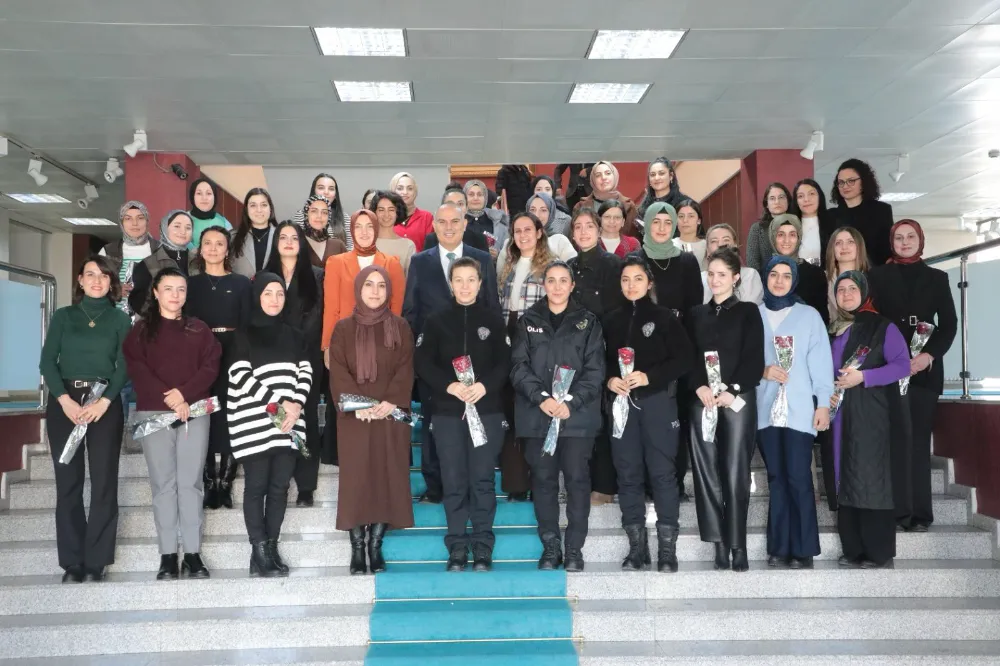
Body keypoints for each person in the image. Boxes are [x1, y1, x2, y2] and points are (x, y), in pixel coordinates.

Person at [123, 268, 221, 580]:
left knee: (190, 484)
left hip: (193, 413)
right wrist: (173, 400)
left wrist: (184, 396)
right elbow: (137, 369)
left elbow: (211, 367)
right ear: (155, 292)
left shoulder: (199, 329)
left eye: (181, 289)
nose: (175, 295)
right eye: (168, 288)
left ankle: (192, 554)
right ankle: (167, 555)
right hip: (154, 415)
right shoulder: (140, 330)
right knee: (163, 485)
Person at [414, 257, 510, 572]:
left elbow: (505, 363)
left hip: (487, 411)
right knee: (454, 480)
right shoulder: (436, 321)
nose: (465, 286)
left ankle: (482, 546)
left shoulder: (494, 320)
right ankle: (456, 546)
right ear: (451, 284)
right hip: (447, 413)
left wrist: (484, 386)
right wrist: (449, 386)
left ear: (480, 284)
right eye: (459, 280)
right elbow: (423, 362)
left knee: (482, 480)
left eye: (471, 280)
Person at [39, 255, 131, 583]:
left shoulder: (120, 319)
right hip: (65, 405)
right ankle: (72, 562)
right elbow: (47, 362)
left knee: (104, 482)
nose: (96, 281)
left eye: (103, 276)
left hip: (104, 404)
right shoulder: (63, 316)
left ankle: (96, 561)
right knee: (68, 483)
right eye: (90, 274)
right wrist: (63, 400)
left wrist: (105, 401)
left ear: (111, 283)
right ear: (80, 280)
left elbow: (125, 365)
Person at [510, 261, 605, 571]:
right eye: (551, 280)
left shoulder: (588, 322)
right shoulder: (528, 321)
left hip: (576, 419)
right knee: (543, 482)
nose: (557, 286)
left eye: (564, 280)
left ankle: (574, 549)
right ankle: (550, 547)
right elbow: (518, 367)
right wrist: (541, 398)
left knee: (577, 481)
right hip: (538, 417)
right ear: (544, 285)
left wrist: (571, 402)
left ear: (572, 285)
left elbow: (595, 370)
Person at [604, 257, 693, 573]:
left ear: (649, 282)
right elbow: (601, 361)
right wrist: (609, 381)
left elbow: (684, 359)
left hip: (657, 403)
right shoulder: (610, 320)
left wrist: (649, 377)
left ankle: (667, 551)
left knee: (662, 474)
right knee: (628, 474)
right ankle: (636, 549)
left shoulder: (664, 317)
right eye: (626, 279)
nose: (631, 285)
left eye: (638, 279)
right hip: (622, 406)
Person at [405, 203, 498, 503]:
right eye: (442, 222)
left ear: (464, 224)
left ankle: (472, 487)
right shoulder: (420, 262)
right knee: (434, 428)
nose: (448, 227)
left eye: (454, 221)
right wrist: (420, 361)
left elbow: (492, 308)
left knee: (474, 431)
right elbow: (411, 312)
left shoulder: (482, 259)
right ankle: (436, 488)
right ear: (434, 226)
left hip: (478, 367)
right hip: (436, 367)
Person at [869, 220, 957, 531]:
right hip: (889, 370)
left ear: (920, 240)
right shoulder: (876, 276)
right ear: (891, 241)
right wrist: (889, 359)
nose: (904, 242)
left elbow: (949, 325)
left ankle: (920, 515)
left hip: (924, 372)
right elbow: (872, 322)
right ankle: (897, 513)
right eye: (898, 237)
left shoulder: (937, 278)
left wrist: (928, 356)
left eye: (910, 237)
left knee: (918, 445)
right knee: (893, 443)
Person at [329, 266, 415, 574]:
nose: (375, 291)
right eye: (369, 285)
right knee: (357, 480)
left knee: (386, 476)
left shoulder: (400, 326)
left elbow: (406, 367)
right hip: (355, 417)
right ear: (358, 289)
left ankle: (375, 546)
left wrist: (391, 401)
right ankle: (357, 548)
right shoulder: (343, 328)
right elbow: (338, 370)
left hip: (389, 413)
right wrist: (357, 405)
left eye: (381, 285)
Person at [227, 273, 313, 577]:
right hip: (255, 422)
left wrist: (296, 404)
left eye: (279, 293)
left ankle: (270, 549)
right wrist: (278, 404)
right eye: (267, 293)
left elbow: (306, 372)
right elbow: (240, 376)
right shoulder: (243, 334)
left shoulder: (295, 335)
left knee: (280, 487)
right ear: (257, 297)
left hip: (289, 421)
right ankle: (259, 550)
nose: (274, 299)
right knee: (256, 486)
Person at [825, 271, 911, 568]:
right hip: (840, 415)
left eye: (852, 288)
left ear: (864, 292)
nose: (846, 294)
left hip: (871, 414)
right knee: (844, 476)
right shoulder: (832, 330)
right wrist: (827, 392)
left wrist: (864, 377)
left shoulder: (882, 327)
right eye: (841, 289)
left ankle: (877, 552)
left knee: (871, 480)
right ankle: (853, 549)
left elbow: (902, 365)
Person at [687, 248, 765, 572]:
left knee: (735, 473)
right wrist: (699, 386)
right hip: (702, 400)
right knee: (707, 474)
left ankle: (737, 545)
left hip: (736, 400)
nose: (715, 280)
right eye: (711, 274)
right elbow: (688, 358)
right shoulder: (696, 314)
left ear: (735, 277)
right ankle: (718, 543)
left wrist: (732, 390)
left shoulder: (748, 312)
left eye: (722, 274)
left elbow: (754, 358)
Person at [756, 257, 833, 569]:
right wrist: (763, 371)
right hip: (765, 411)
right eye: (773, 274)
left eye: (786, 275)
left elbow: (821, 363)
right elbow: (743, 359)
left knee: (799, 476)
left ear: (794, 280)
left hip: (800, 409)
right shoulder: (754, 315)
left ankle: (803, 549)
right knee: (776, 478)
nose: (779, 281)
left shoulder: (809, 316)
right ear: (765, 278)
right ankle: (779, 547)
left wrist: (823, 403)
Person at [496, 212, 576, 502]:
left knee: (538, 409)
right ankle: (517, 483)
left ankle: (542, 482)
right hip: (508, 338)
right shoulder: (508, 262)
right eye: (517, 231)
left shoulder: (551, 264)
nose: (522, 235)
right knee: (512, 413)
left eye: (528, 229)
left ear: (540, 232)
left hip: (538, 340)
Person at [632, 201, 703, 501]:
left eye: (667, 222)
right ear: (647, 224)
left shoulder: (687, 261)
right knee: (646, 418)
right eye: (655, 222)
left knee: (678, 419)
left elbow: (695, 309)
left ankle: (674, 482)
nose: (661, 228)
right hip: (643, 348)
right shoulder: (636, 259)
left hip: (678, 348)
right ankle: (647, 483)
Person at [186, 227, 253, 510]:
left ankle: (226, 481)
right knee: (203, 414)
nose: (213, 248)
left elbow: (248, 323)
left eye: (219, 244)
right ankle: (208, 479)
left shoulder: (241, 283)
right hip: (199, 354)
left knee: (230, 414)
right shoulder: (189, 284)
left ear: (227, 250)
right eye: (208, 243)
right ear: (200, 249)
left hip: (233, 352)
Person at [265, 222, 326, 507]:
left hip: (306, 358)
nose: (289, 242)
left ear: (302, 243)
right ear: (276, 243)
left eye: (294, 238)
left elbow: (317, 318)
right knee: (275, 416)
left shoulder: (317, 276)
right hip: (271, 359)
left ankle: (305, 485)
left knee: (306, 419)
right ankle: (277, 479)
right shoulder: (264, 276)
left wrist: (295, 346)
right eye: (283, 237)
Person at [566, 208, 624, 505]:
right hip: (571, 356)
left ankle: (604, 486)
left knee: (602, 419)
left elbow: (617, 314)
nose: (584, 232)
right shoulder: (567, 267)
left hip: (603, 352)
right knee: (576, 419)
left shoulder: (613, 264)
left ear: (599, 230)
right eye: (578, 227)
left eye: (589, 226)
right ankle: (579, 483)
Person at [321, 210, 405, 355]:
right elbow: (331, 309)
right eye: (358, 227)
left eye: (369, 226)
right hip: (346, 340)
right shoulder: (336, 263)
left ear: (376, 229)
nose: (364, 232)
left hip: (382, 341)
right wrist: (328, 345)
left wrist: (394, 341)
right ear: (352, 230)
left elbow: (396, 308)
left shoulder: (392, 263)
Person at [820, 159, 895, 267]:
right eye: (841, 182)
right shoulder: (830, 216)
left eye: (851, 181)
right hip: (841, 273)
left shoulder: (881, 210)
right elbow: (827, 253)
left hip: (875, 273)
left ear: (863, 181)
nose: (845, 186)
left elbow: (887, 250)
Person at [129, 211, 195, 314]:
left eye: (188, 228)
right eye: (177, 226)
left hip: (196, 322)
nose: (183, 232)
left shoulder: (199, 260)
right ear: (164, 228)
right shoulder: (148, 264)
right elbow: (139, 302)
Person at [769, 214, 830, 326]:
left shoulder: (815, 274)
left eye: (792, 235)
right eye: (781, 234)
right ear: (773, 238)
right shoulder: (763, 273)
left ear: (799, 237)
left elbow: (822, 318)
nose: (786, 240)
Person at [100, 200, 160, 313]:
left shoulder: (160, 250)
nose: (135, 223)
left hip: (151, 316)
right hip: (114, 317)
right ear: (121, 222)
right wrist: (114, 289)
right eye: (128, 219)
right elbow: (96, 283)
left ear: (147, 221)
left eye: (140, 218)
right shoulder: (108, 251)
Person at [700, 224, 763, 305]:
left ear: (735, 245)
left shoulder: (750, 275)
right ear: (707, 249)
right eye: (714, 241)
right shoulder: (701, 278)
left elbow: (750, 308)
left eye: (726, 240)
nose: (720, 244)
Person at [573, 161, 639, 237]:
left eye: (608, 173)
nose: (603, 178)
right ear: (593, 180)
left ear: (615, 176)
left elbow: (634, 237)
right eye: (598, 175)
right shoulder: (580, 206)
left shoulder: (629, 206)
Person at [824, 227, 871, 323]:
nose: (844, 247)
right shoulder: (822, 279)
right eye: (838, 243)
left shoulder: (873, 278)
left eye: (850, 242)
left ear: (859, 246)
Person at [292, 173, 351, 248]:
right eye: (321, 188)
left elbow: (350, 248)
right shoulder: (301, 215)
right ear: (314, 191)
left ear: (335, 195)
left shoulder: (345, 218)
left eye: (331, 189)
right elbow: (295, 246)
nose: (326, 192)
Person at [426, 186, 490, 253]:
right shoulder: (432, 239)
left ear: (466, 208)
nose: (455, 208)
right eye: (450, 203)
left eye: (460, 204)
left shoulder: (479, 239)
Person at [231, 188, 277, 278]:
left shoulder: (281, 236)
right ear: (246, 210)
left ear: (270, 209)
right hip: (241, 286)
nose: (259, 210)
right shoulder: (233, 237)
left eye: (264, 205)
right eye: (253, 205)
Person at [746, 183, 792, 272]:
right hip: (765, 279)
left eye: (781, 197)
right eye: (772, 198)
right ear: (766, 204)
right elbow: (752, 264)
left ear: (788, 201)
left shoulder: (797, 226)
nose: (777, 202)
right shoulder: (757, 229)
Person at [370, 190, 417, 275]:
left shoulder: (408, 245)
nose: (386, 214)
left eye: (391, 210)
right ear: (374, 212)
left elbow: (411, 279)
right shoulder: (366, 242)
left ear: (397, 212)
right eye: (381, 210)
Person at [298, 195, 348, 269]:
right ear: (306, 214)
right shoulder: (297, 244)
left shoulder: (338, 246)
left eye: (324, 212)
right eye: (314, 211)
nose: (319, 216)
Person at [391, 171, 435, 252]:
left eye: (410, 188)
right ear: (393, 191)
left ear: (415, 191)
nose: (405, 192)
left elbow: (431, 250)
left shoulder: (426, 217)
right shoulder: (387, 217)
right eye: (400, 188)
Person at [464, 179, 510, 255]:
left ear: (485, 197)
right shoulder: (456, 222)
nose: (475, 198)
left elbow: (509, 255)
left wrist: (498, 255)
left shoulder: (499, 224)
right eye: (471, 194)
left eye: (480, 194)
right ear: (464, 198)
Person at [187, 177, 233, 249]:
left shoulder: (223, 222)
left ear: (215, 197)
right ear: (192, 196)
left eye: (208, 193)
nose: (204, 198)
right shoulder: (183, 219)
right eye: (199, 193)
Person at [790, 179, 827, 266]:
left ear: (820, 196)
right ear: (796, 201)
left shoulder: (832, 222)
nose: (806, 199)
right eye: (800, 196)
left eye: (811, 194)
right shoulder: (790, 225)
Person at [673, 199, 707, 269]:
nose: (685, 220)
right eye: (681, 216)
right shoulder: (669, 245)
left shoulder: (707, 246)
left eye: (691, 216)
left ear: (699, 220)